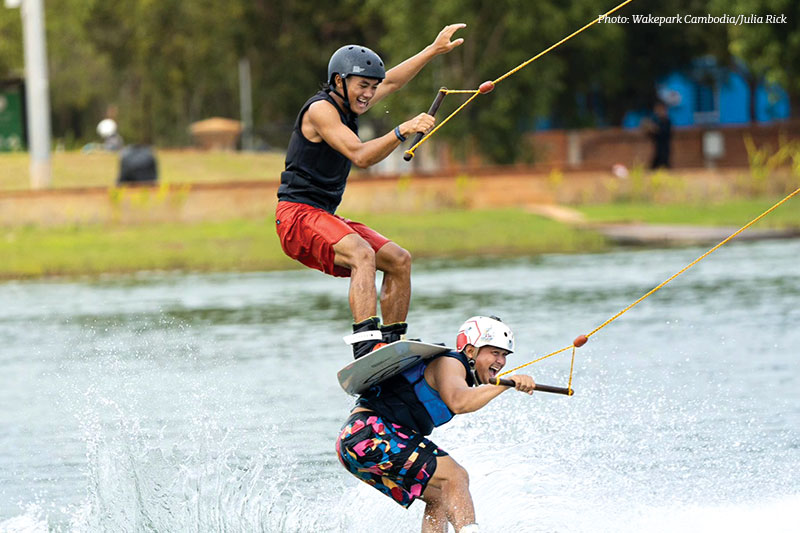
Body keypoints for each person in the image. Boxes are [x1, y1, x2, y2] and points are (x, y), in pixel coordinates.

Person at [275, 24, 466, 359]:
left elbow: (391, 81)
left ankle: (392, 344)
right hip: (297, 215)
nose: (369, 93)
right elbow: (361, 156)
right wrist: (402, 130)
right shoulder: (321, 110)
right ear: (339, 81)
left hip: (322, 216)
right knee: (362, 253)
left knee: (398, 260)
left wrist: (433, 50)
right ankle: (366, 344)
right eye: (363, 85)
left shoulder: (352, 103)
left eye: (371, 87)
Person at [336, 316, 536, 533]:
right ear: (470, 351)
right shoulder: (450, 362)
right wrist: (508, 384)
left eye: (504, 355)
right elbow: (459, 402)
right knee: (456, 476)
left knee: (442, 495)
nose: (501, 361)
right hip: (370, 432)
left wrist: (506, 383)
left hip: (354, 443)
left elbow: (466, 398)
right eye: (494, 353)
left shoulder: (461, 374)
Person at [644, 100, 672, 169]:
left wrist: (652, 127)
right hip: (657, 149)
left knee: (664, 166)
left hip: (664, 149)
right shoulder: (657, 120)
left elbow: (662, 132)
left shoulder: (667, 121)